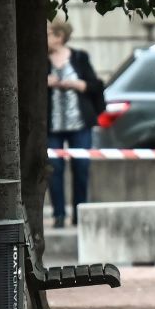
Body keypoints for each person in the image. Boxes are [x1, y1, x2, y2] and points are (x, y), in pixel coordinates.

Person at [47, 19, 105, 228]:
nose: (45, 38)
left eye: (49, 34)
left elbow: (95, 85)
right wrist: (46, 82)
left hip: (79, 124)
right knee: (53, 169)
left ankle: (80, 214)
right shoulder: (40, 60)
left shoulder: (79, 57)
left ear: (60, 36)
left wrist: (79, 84)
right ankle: (59, 215)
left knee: (81, 167)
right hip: (52, 125)